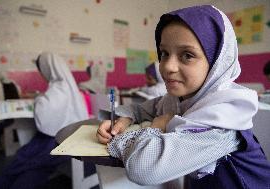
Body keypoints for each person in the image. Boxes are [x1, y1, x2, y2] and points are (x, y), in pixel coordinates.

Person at [96, 5, 270, 188]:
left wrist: (159, 125)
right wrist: (124, 120)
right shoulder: (177, 100)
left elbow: (143, 169)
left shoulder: (223, 119)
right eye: (164, 53)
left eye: (187, 55)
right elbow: (141, 109)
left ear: (216, 63)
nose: (168, 67)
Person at [0, 52, 89, 189]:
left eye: (41, 70)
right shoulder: (70, 87)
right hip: (70, 138)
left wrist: (38, 100)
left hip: (54, 141)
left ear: (48, 69)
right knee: (31, 164)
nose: (42, 74)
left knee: (23, 160)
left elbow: (44, 118)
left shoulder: (57, 90)